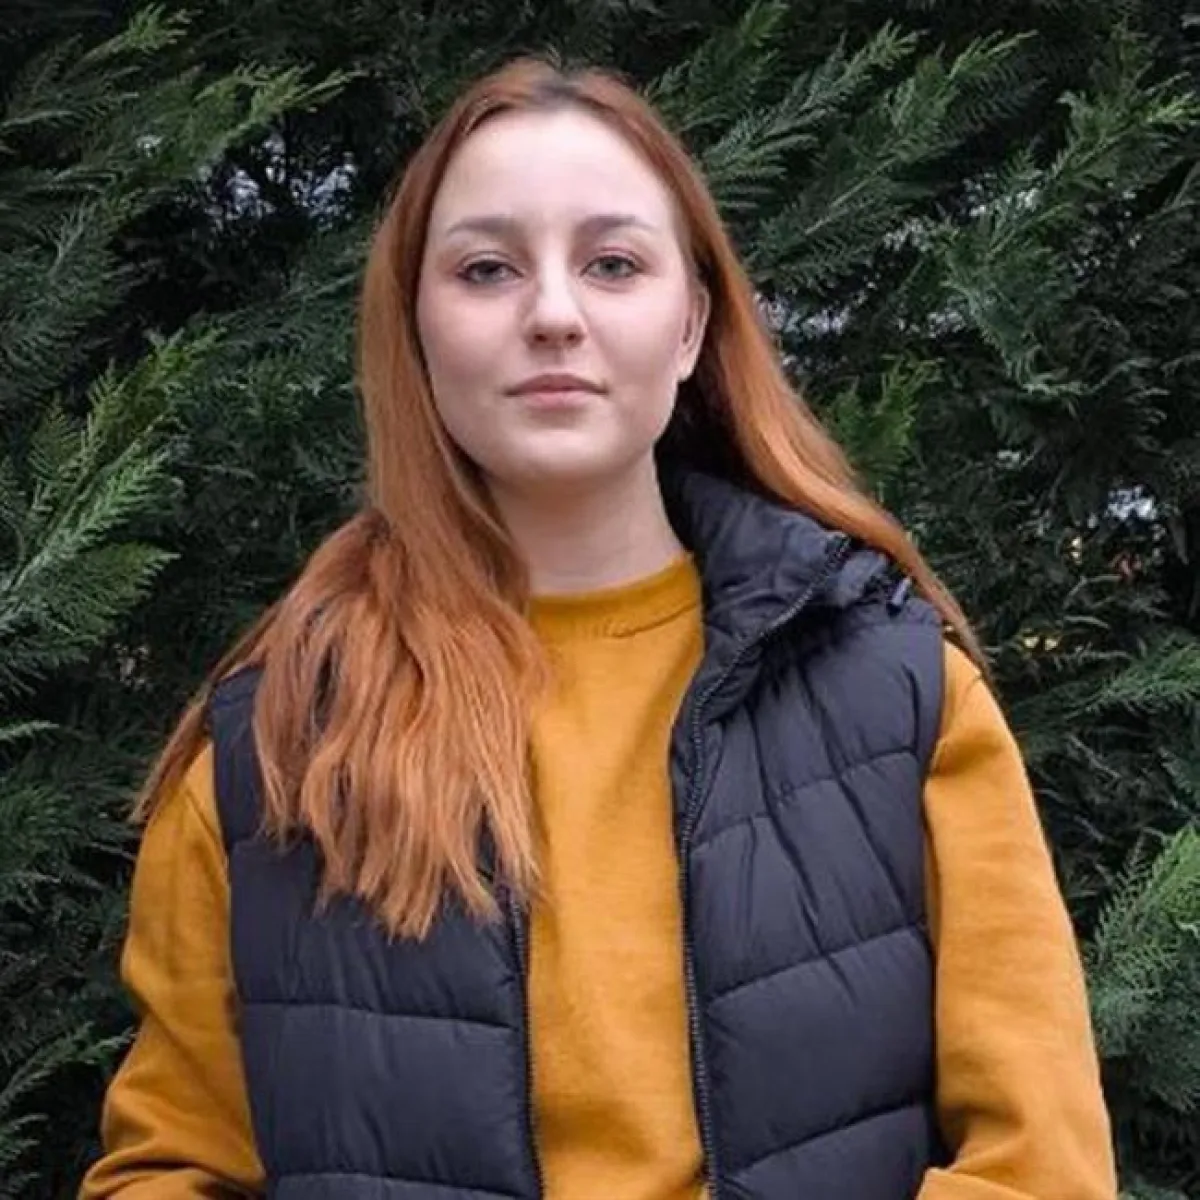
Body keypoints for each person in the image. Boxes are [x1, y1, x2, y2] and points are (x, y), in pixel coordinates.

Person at [80, 56, 1117, 1200]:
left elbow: (1042, 1168)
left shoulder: (900, 694)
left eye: (613, 264)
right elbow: (168, 1169)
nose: (554, 315)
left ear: (690, 325)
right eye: (486, 269)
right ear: (416, 328)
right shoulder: (278, 742)